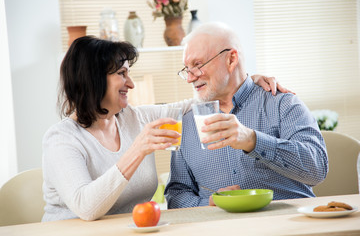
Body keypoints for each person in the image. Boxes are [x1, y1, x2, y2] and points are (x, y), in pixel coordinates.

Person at [42, 36, 285, 221]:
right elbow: (86, 207)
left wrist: (244, 79)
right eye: (121, 74)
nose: (131, 83)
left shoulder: (134, 118)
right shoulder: (61, 139)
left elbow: (197, 102)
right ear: (92, 79)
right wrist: (137, 150)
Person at [165, 22, 328, 208]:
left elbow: (317, 169)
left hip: (287, 225)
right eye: (187, 68)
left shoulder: (282, 103)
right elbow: (176, 194)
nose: (190, 78)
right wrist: (206, 203)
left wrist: (253, 141)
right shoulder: (186, 123)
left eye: (198, 65)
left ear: (231, 60)